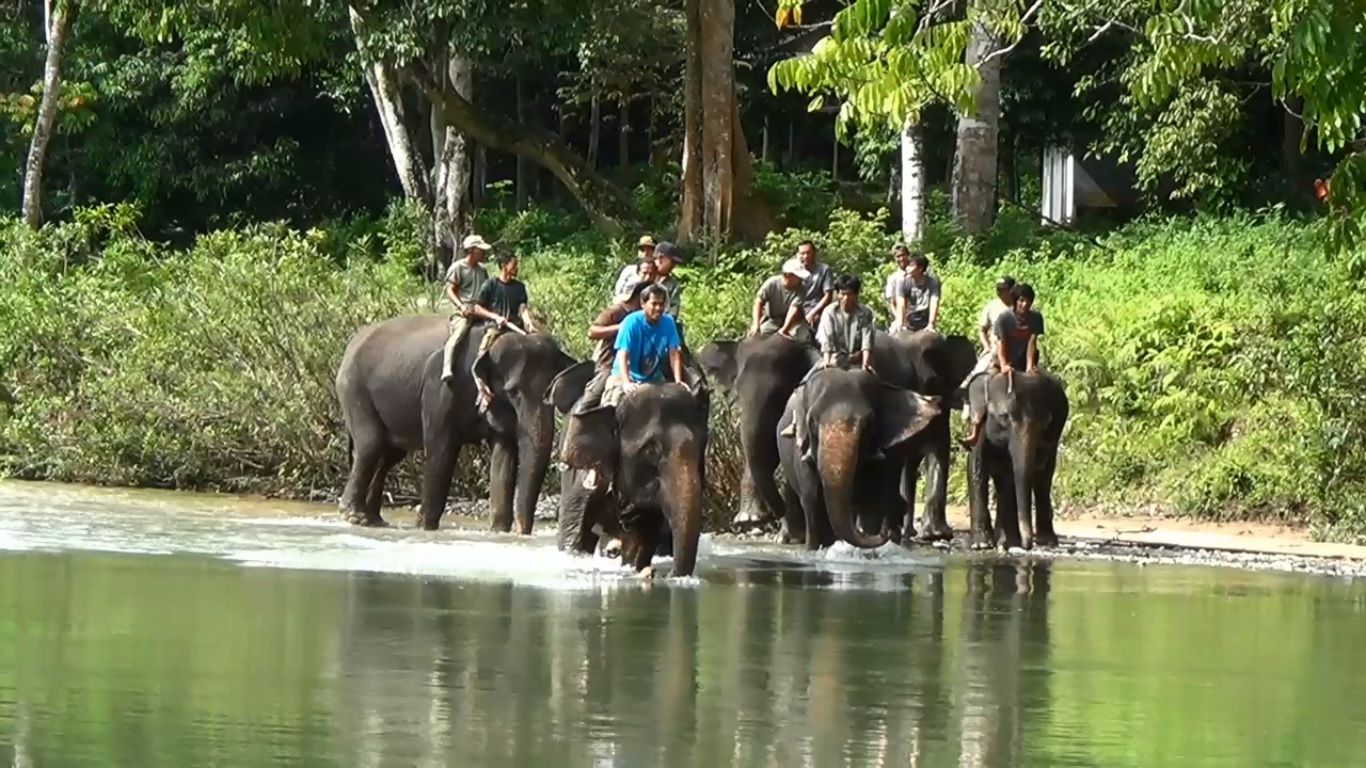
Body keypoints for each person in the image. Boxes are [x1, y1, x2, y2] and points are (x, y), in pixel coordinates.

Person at [578, 284, 685, 491]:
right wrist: (626, 383)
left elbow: (674, 352)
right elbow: (623, 355)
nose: (658, 309)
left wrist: (679, 381)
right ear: (643, 304)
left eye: (661, 305)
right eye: (653, 304)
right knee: (610, 412)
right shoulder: (631, 322)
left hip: (653, 378)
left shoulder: (668, 323)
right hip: (623, 375)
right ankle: (597, 465)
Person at [780, 273, 877, 463]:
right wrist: (826, 359)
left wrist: (866, 362)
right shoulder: (830, 312)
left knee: (877, 390)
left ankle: (874, 444)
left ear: (856, 295)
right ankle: (800, 431)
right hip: (832, 357)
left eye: (849, 294)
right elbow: (827, 337)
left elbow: (867, 339)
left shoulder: (865, 313)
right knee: (802, 388)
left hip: (856, 359)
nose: (845, 298)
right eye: (841, 294)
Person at [962, 282, 1045, 447]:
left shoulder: (1035, 318)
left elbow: (1032, 342)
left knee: (1045, 387)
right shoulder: (1005, 319)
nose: (1025, 304)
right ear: (1015, 301)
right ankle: (976, 428)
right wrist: (1004, 364)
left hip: (1025, 361)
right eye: (1021, 300)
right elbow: (1001, 344)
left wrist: (1029, 366)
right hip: (1001, 361)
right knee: (983, 384)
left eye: (1028, 301)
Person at [469, 251, 538, 411]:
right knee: (482, 355)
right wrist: (494, 316)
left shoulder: (520, 287)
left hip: (515, 328)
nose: (516, 268)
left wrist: (528, 322)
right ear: (504, 266)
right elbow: (477, 307)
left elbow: (523, 308)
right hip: (495, 328)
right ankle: (482, 389)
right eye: (513, 265)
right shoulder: (490, 284)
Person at [574, 280, 652, 414]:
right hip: (609, 364)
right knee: (588, 402)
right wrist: (621, 328)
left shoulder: (648, 317)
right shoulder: (615, 311)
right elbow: (592, 332)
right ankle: (576, 423)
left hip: (640, 367)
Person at [440, 233, 492, 382]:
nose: (483, 252)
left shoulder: (482, 269)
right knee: (458, 335)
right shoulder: (458, 267)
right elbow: (450, 290)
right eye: (480, 249)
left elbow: (486, 290)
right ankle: (447, 367)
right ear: (471, 250)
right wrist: (461, 306)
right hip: (464, 310)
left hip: (480, 309)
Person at [749, 258, 812, 343]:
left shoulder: (801, 289)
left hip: (794, 322)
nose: (801, 279)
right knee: (757, 336)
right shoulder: (771, 283)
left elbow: (794, 309)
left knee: (802, 338)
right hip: (773, 320)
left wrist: (784, 329)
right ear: (788, 275)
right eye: (798, 277)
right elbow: (759, 302)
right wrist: (756, 324)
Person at [891, 252, 941, 333]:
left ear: (920, 268)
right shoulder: (902, 282)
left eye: (911, 265)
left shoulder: (933, 282)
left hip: (925, 321)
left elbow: (934, 303)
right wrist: (900, 323)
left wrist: (931, 324)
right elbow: (901, 304)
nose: (907, 268)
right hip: (908, 322)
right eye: (907, 265)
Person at [794, 240, 834, 330]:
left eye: (809, 253)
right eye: (802, 253)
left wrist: (813, 312)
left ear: (814, 253)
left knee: (817, 321)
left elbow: (828, 296)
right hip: (797, 306)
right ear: (797, 255)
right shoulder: (794, 271)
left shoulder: (824, 269)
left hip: (816, 306)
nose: (806, 256)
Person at [883, 244, 911, 319]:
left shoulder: (919, 273)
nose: (901, 258)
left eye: (903, 255)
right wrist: (900, 319)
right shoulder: (893, 278)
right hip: (900, 318)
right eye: (898, 256)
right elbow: (892, 303)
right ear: (894, 259)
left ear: (908, 255)